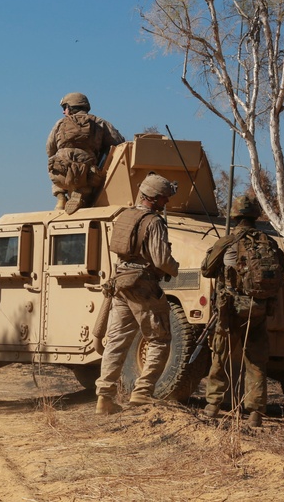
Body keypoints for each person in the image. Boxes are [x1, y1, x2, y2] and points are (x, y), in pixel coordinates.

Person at [96, 172, 179, 415]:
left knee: (116, 342)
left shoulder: (124, 216)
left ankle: (104, 398)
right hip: (143, 286)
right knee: (159, 339)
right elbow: (162, 259)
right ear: (153, 198)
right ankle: (142, 393)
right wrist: (175, 268)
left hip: (121, 283)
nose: (166, 203)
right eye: (164, 198)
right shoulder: (153, 222)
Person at [201, 196, 284, 428]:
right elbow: (283, 270)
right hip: (259, 308)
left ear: (234, 216)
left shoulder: (227, 241)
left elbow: (206, 270)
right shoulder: (269, 242)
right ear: (255, 217)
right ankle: (256, 413)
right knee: (256, 360)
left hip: (231, 310)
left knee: (220, 355)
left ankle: (212, 406)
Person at [46, 92, 125, 214]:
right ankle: (82, 194)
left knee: (55, 164)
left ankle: (61, 198)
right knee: (92, 177)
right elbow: (119, 143)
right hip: (86, 176)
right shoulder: (100, 123)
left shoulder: (60, 123)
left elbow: (49, 149)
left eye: (64, 108)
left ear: (70, 107)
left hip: (60, 176)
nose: (63, 112)